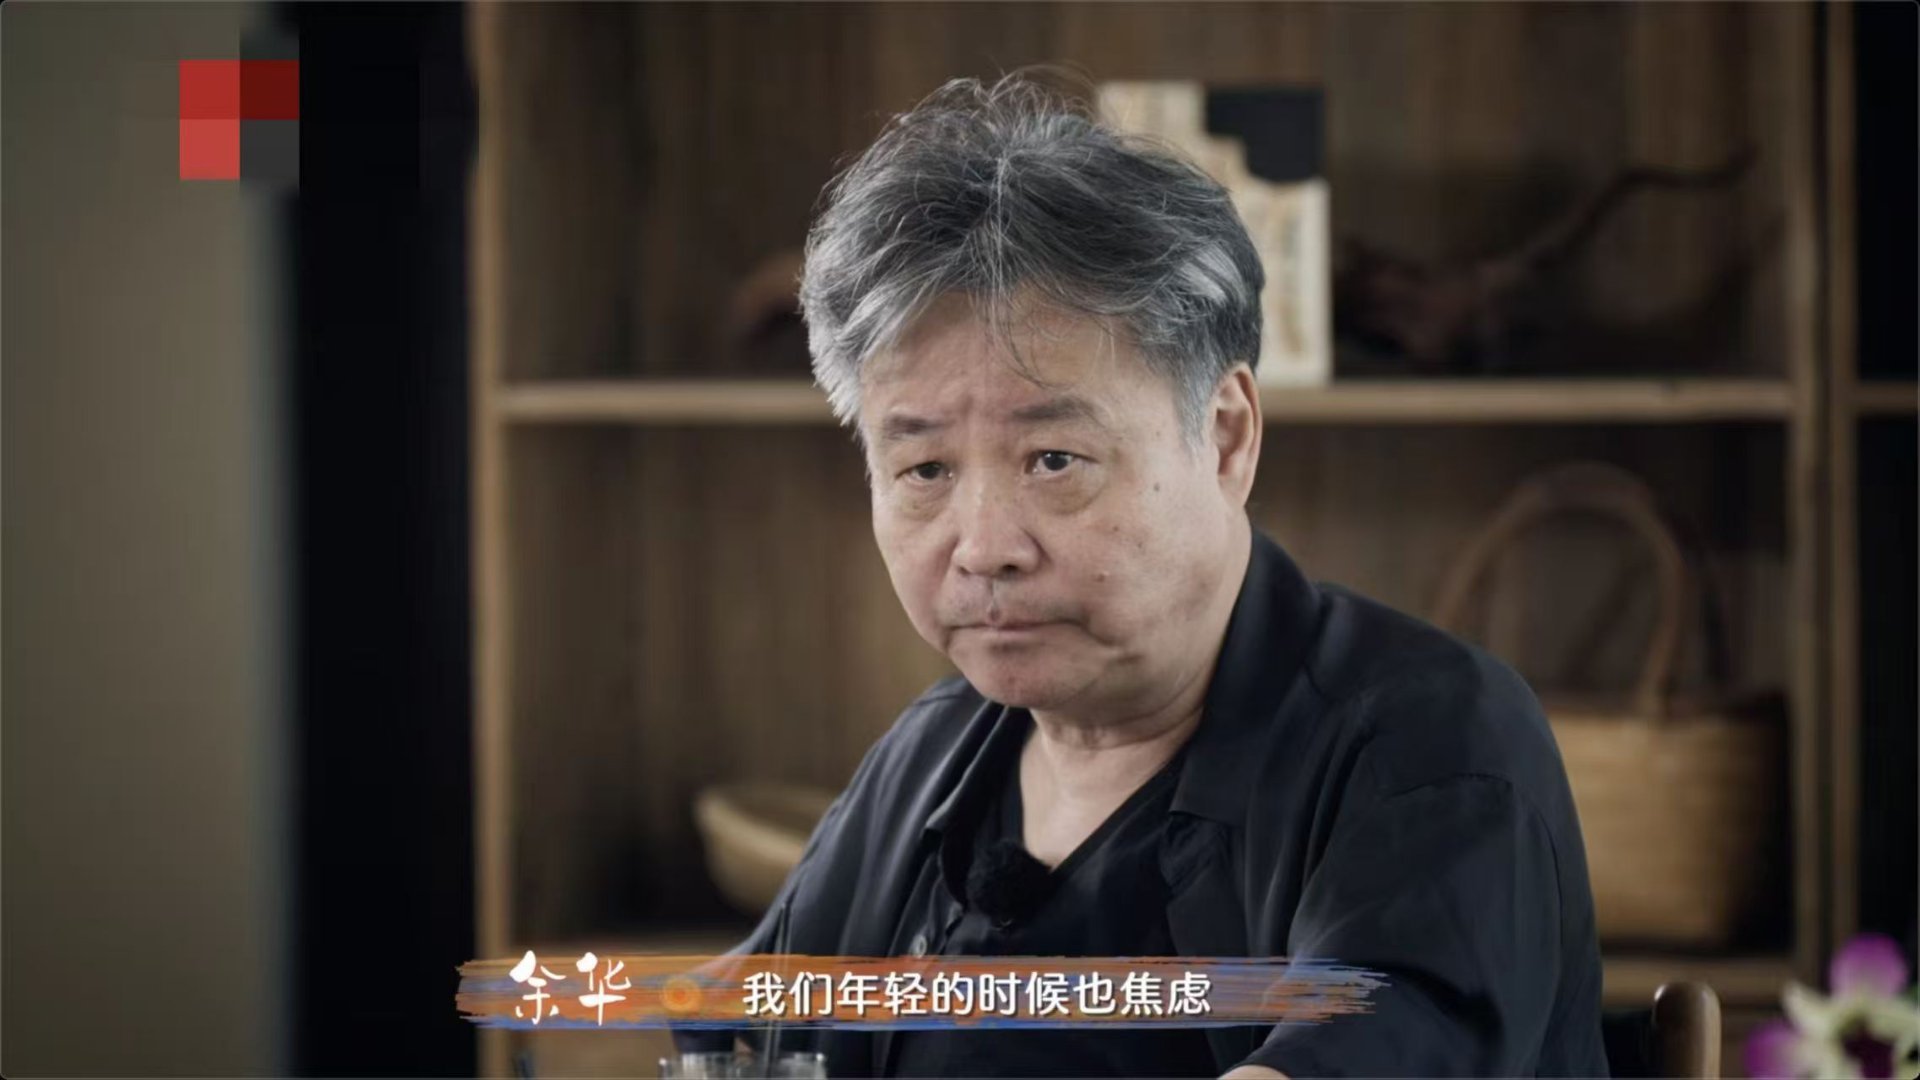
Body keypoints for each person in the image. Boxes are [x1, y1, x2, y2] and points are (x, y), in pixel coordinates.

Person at [673, 70, 1609, 1078]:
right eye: (924, 469)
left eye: (1053, 460)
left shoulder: (1432, 744)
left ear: (1226, 437)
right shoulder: (936, 752)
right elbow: (738, 1034)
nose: (983, 546)